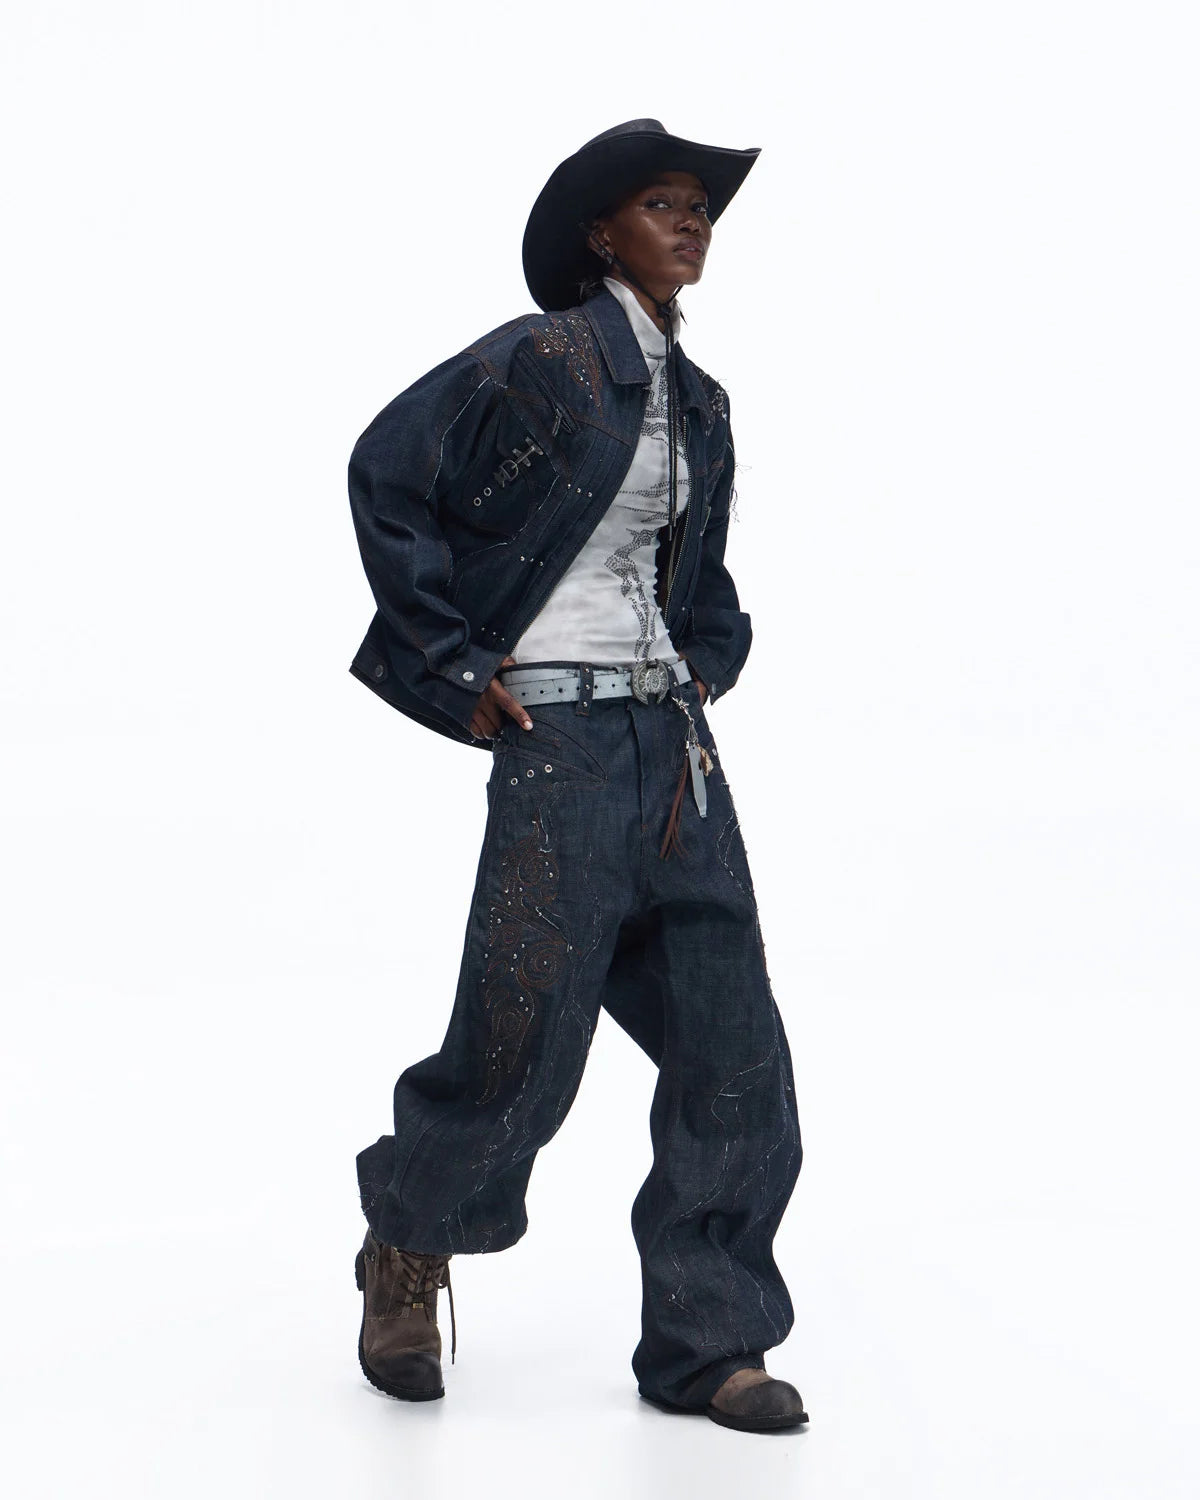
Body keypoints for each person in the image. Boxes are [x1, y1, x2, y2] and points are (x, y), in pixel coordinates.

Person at [345, 119, 806, 1434]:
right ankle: (408, 1242)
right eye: (664, 203)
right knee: (521, 1046)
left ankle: (708, 1347)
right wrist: (450, 658)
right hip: (562, 746)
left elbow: (696, 574)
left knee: (733, 1056)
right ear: (603, 232)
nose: (692, 222)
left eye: (701, 207)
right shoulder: (542, 359)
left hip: (679, 753)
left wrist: (706, 657)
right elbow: (388, 471)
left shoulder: (702, 403)